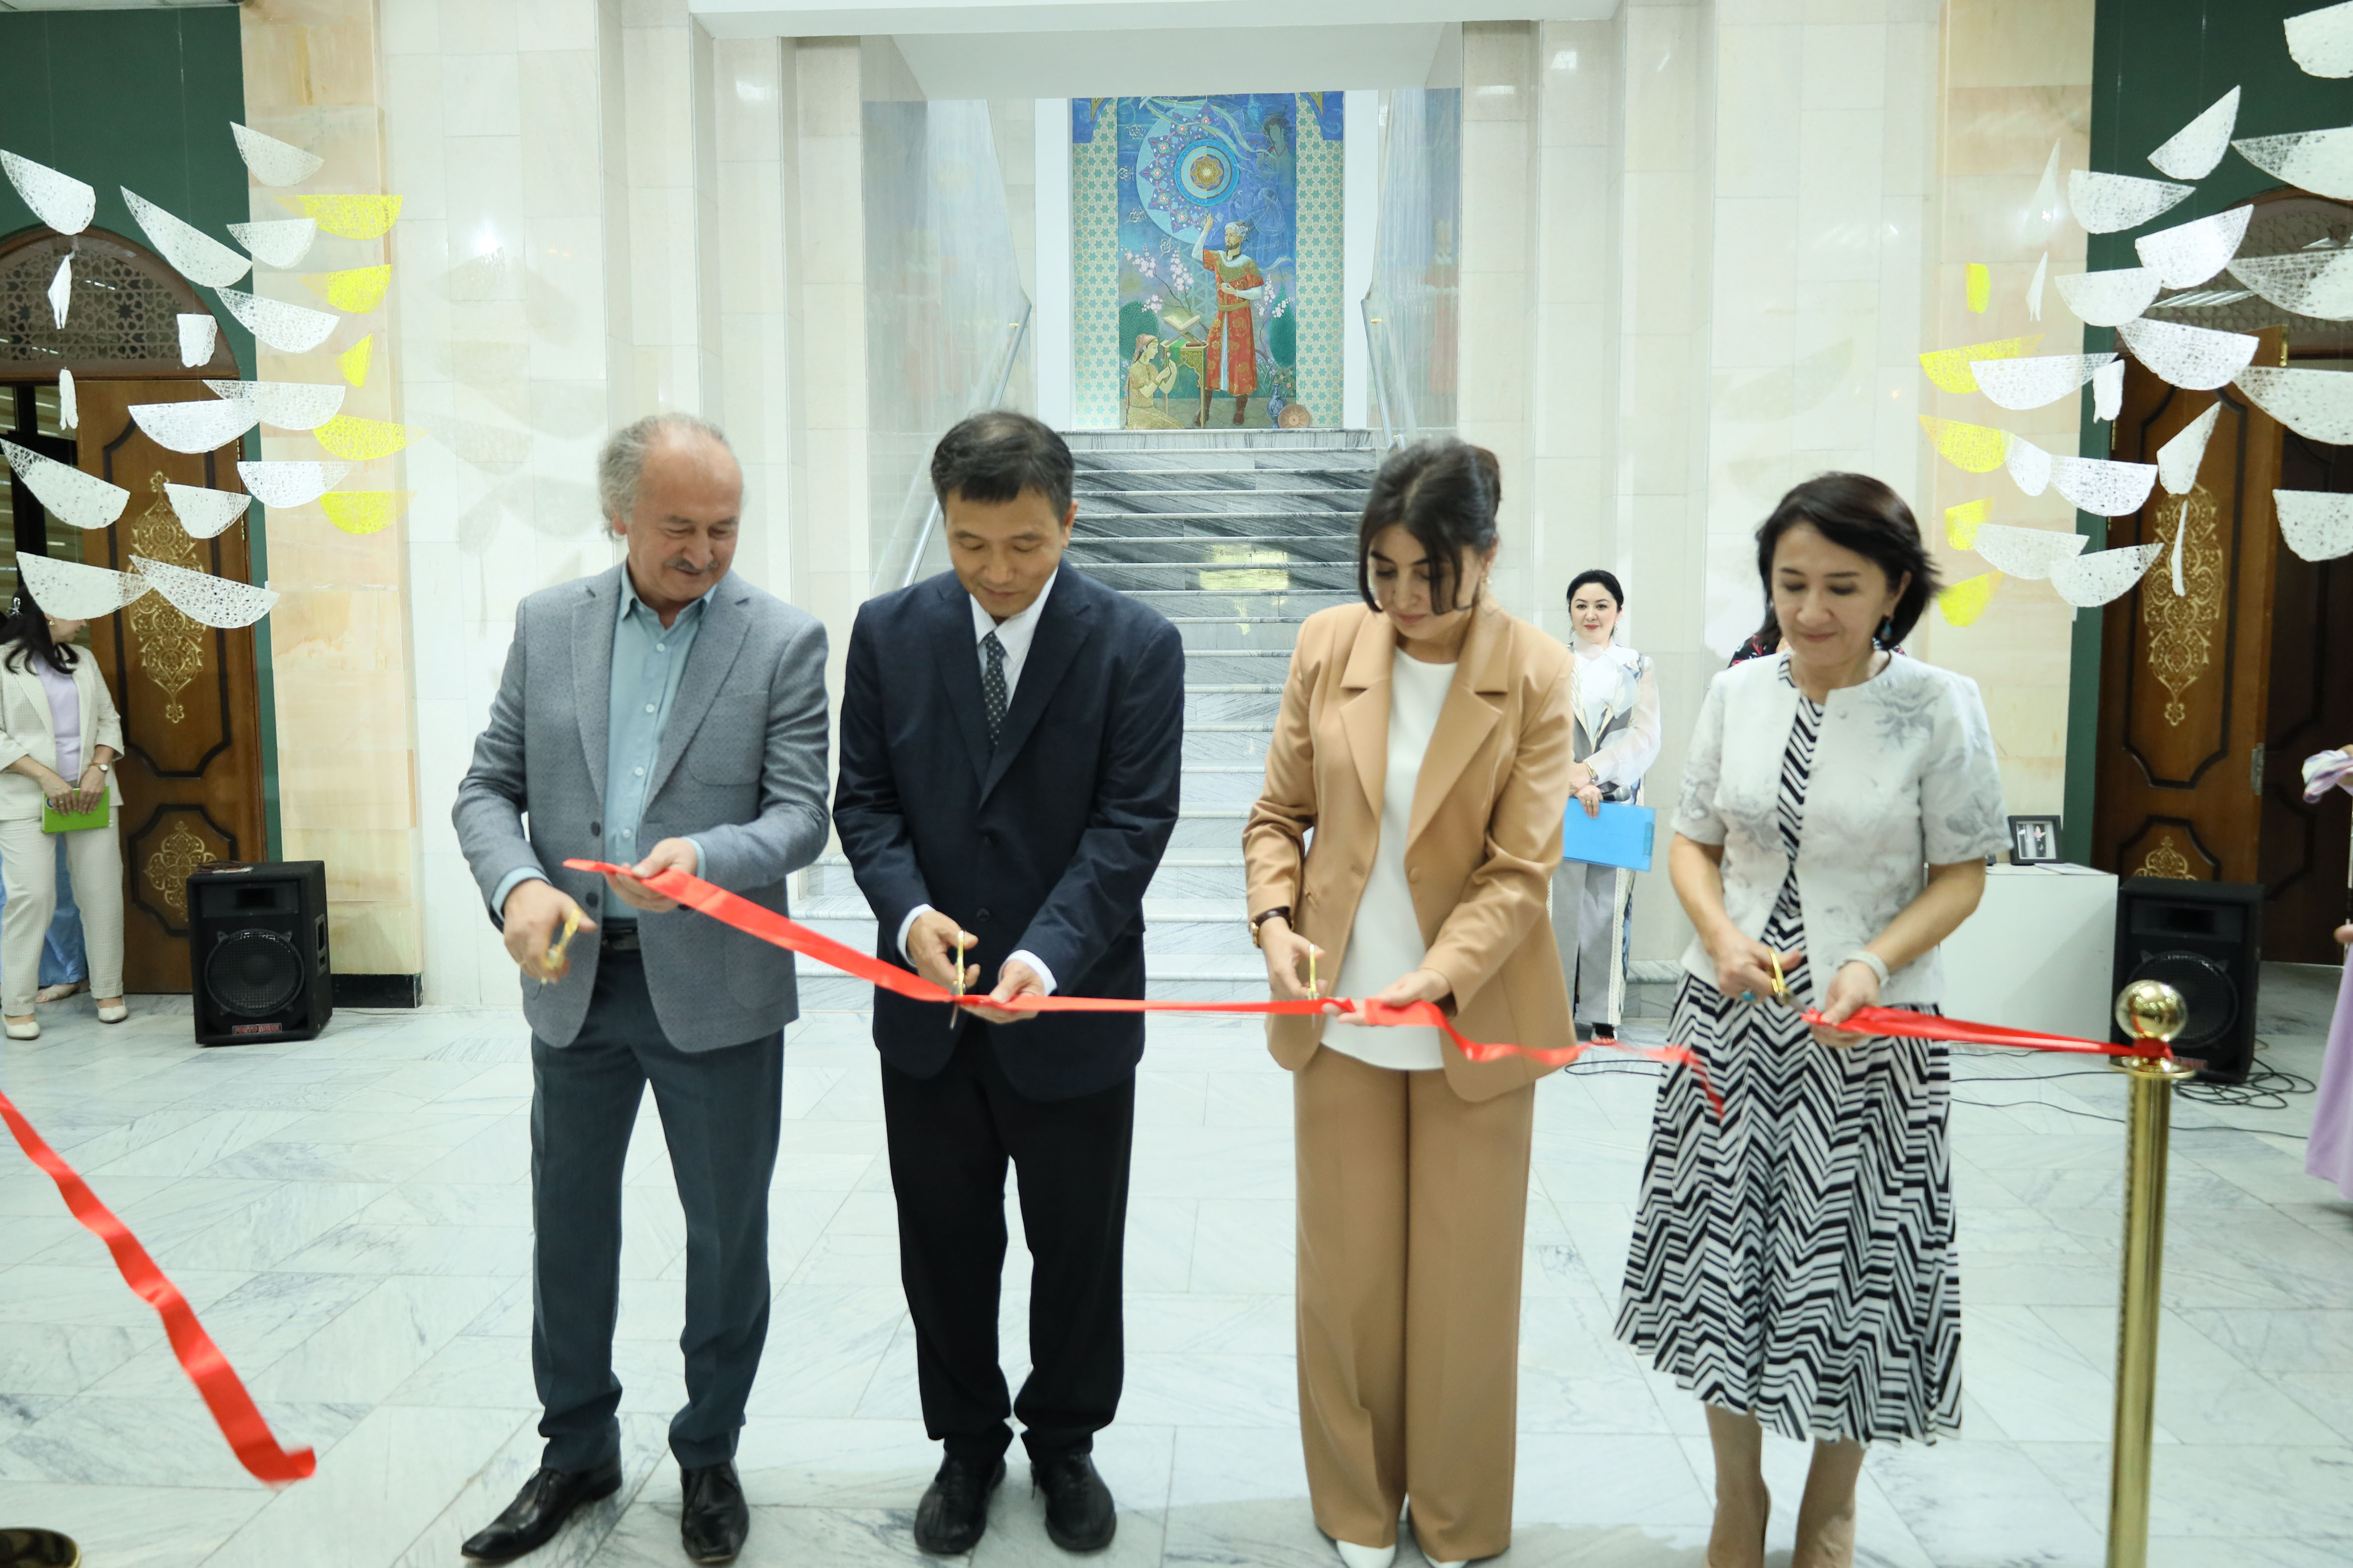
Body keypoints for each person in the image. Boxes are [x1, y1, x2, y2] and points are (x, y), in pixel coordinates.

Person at [451, 414, 830, 1566]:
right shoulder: (547, 624)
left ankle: (708, 1448)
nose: (705, 551)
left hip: (715, 988)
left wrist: (709, 862)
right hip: (576, 983)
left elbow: (799, 813)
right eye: (679, 528)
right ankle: (576, 1445)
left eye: (724, 528)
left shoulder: (784, 639)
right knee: (568, 1227)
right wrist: (516, 887)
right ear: (618, 514)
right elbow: (487, 786)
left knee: (727, 1234)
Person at [1617, 473, 2006, 1568]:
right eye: (1790, 583)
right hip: (1725, 1017)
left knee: (1857, 1274)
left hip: (1867, 1035)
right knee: (1718, 1261)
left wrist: (1872, 963)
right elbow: (1689, 838)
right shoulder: (1737, 693)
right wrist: (1719, 936)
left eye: (1840, 585)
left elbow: (1960, 871)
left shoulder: (1938, 704)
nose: (1809, 609)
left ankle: (1828, 1507)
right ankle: (1733, 1498)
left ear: (1892, 588)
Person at [833, 410, 1184, 1557]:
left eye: (1024, 545)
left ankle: (1066, 1438)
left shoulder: (1135, 644)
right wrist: (906, 911)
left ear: (1069, 521)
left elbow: (1131, 824)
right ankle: (967, 1441)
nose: (995, 571)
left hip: (1069, 1005)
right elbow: (869, 804)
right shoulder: (888, 635)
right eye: (970, 544)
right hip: (926, 1008)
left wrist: (1044, 952)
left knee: (1076, 1240)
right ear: (942, 522)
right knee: (942, 1237)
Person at [1244, 438, 1575, 1568]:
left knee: (1462, 1288)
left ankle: (1453, 1515)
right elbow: (1274, 816)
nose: (1403, 599)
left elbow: (1520, 870)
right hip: (1335, 1021)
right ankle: (1350, 1506)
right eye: (1381, 569)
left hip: (1467, 1018)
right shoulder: (1327, 643)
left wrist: (1435, 976)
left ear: (1484, 556)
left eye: (1429, 573)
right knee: (1344, 1285)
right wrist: (1274, 924)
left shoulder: (1533, 669)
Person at [0, 591, 125, 1040]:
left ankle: (110, 991)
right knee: (31, 897)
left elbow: (109, 720)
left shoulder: (84, 660)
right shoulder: (3, 663)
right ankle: (15, 1004)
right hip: (24, 798)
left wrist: (99, 768)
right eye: (77, 609)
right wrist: (46, 779)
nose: (85, 619)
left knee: (102, 891)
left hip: (93, 795)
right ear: (49, 613)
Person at [1552, 569, 1661, 1041]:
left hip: (1616, 798)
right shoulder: (1552, 662)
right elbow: (1533, 733)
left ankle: (1603, 1012)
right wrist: (1572, 781)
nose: (1590, 614)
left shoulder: (1637, 665)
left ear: (1618, 611)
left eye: (1601, 605)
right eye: (1581, 604)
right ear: (1570, 610)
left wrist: (1593, 773)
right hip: (1558, 798)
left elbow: (1646, 735)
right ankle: (1551, 1007)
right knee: (1557, 905)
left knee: (1608, 906)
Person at [1196, 217, 1264, 425]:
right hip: (1222, 317)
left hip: (1240, 319)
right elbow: (1196, 253)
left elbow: (1258, 292)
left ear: (1240, 239)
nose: (1228, 239)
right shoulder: (1218, 259)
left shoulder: (1248, 264)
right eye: (1226, 235)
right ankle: (1205, 411)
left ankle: (1240, 412)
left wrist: (1236, 291)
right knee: (1212, 361)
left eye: (1232, 235)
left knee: (1240, 363)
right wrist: (1206, 230)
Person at [1124, 333, 1184, 429]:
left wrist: (1174, 373)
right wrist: (1160, 377)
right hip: (1138, 415)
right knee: (1174, 429)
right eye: (1154, 348)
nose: (1156, 351)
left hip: (1150, 411)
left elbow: (1166, 389)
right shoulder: (1135, 369)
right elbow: (1146, 393)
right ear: (1145, 349)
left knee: (1179, 427)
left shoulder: (1152, 368)